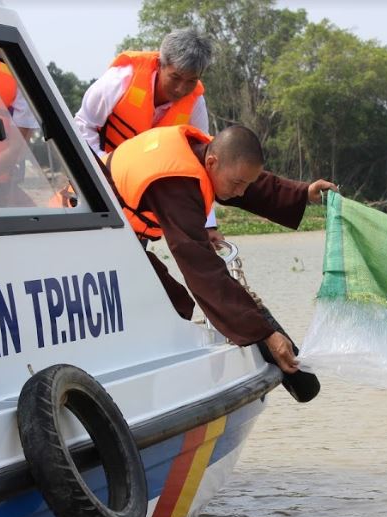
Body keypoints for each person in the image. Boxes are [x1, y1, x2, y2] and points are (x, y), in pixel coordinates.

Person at [105, 123, 337, 377]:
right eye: (237, 184)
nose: (241, 192)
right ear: (212, 162)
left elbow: (249, 182)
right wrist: (265, 333)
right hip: (88, 230)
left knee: (174, 303)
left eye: (245, 185)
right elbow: (203, 270)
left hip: (118, 234)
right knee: (171, 302)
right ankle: (152, 378)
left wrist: (303, 192)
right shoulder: (176, 184)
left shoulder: (206, 155)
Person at [75, 28, 221, 237]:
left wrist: (209, 224)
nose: (181, 89)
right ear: (160, 64)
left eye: (191, 81)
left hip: (138, 200)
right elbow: (82, 124)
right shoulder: (121, 79)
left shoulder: (195, 103)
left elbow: (201, 163)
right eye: (175, 77)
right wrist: (102, 169)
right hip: (96, 182)